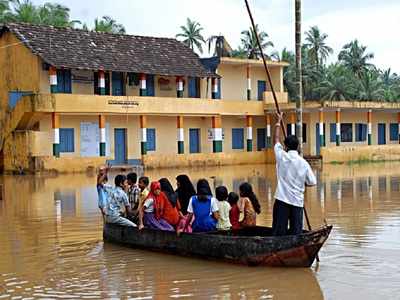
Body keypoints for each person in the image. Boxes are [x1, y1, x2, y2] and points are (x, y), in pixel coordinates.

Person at [272, 112, 317, 235]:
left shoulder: (282, 157)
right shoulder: (304, 164)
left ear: (285, 147)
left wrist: (278, 122)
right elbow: (312, 182)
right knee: (296, 232)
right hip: (297, 201)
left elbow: (276, 140)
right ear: (297, 147)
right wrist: (302, 184)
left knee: (278, 231)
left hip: (282, 200)